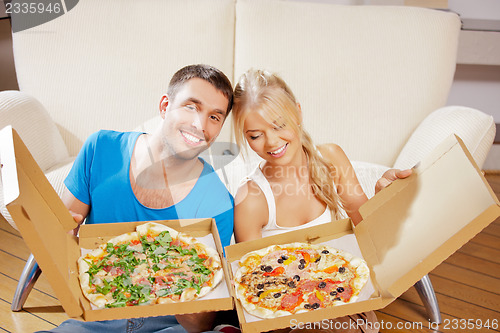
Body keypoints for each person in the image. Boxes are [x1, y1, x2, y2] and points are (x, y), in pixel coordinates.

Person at [38, 64, 235, 333]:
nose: (200, 125)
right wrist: (61, 236)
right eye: (191, 107)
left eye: (215, 117)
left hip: (168, 325)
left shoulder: (217, 201)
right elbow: (58, 246)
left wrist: (175, 276)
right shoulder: (101, 148)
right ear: (165, 106)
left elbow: (199, 323)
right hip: (100, 314)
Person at [231, 69, 411, 333]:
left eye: (279, 125)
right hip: (285, 319)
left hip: (345, 301)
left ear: (298, 113)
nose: (271, 141)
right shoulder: (251, 199)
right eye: (255, 135)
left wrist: (382, 194)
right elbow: (256, 290)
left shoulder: (331, 159)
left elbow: (368, 234)